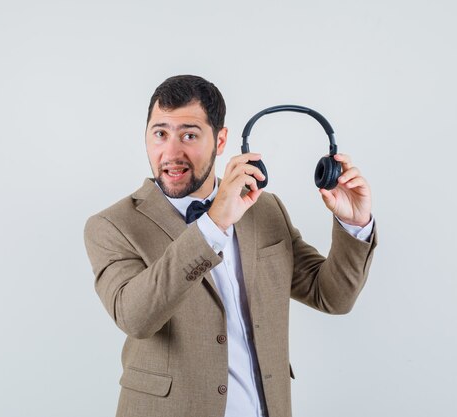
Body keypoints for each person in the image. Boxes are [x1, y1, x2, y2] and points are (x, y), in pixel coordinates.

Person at [84, 75, 377, 417]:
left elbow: (333, 296)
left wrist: (353, 224)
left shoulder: (265, 209)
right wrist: (212, 226)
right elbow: (136, 317)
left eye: (189, 135)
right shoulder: (112, 226)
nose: (171, 152)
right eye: (160, 134)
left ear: (221, 140)